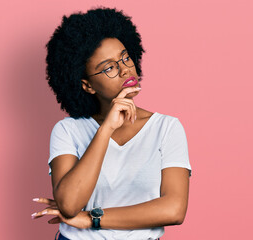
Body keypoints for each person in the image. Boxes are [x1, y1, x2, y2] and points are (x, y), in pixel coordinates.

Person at [31, 7, 192, 240]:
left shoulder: (167, 128)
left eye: (125, 57)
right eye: (109, 67)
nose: (125, 69)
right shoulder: (68, 130)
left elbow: (174, 209)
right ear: (87, 85)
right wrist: (106, 129)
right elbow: (68, 205)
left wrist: (92, 219)